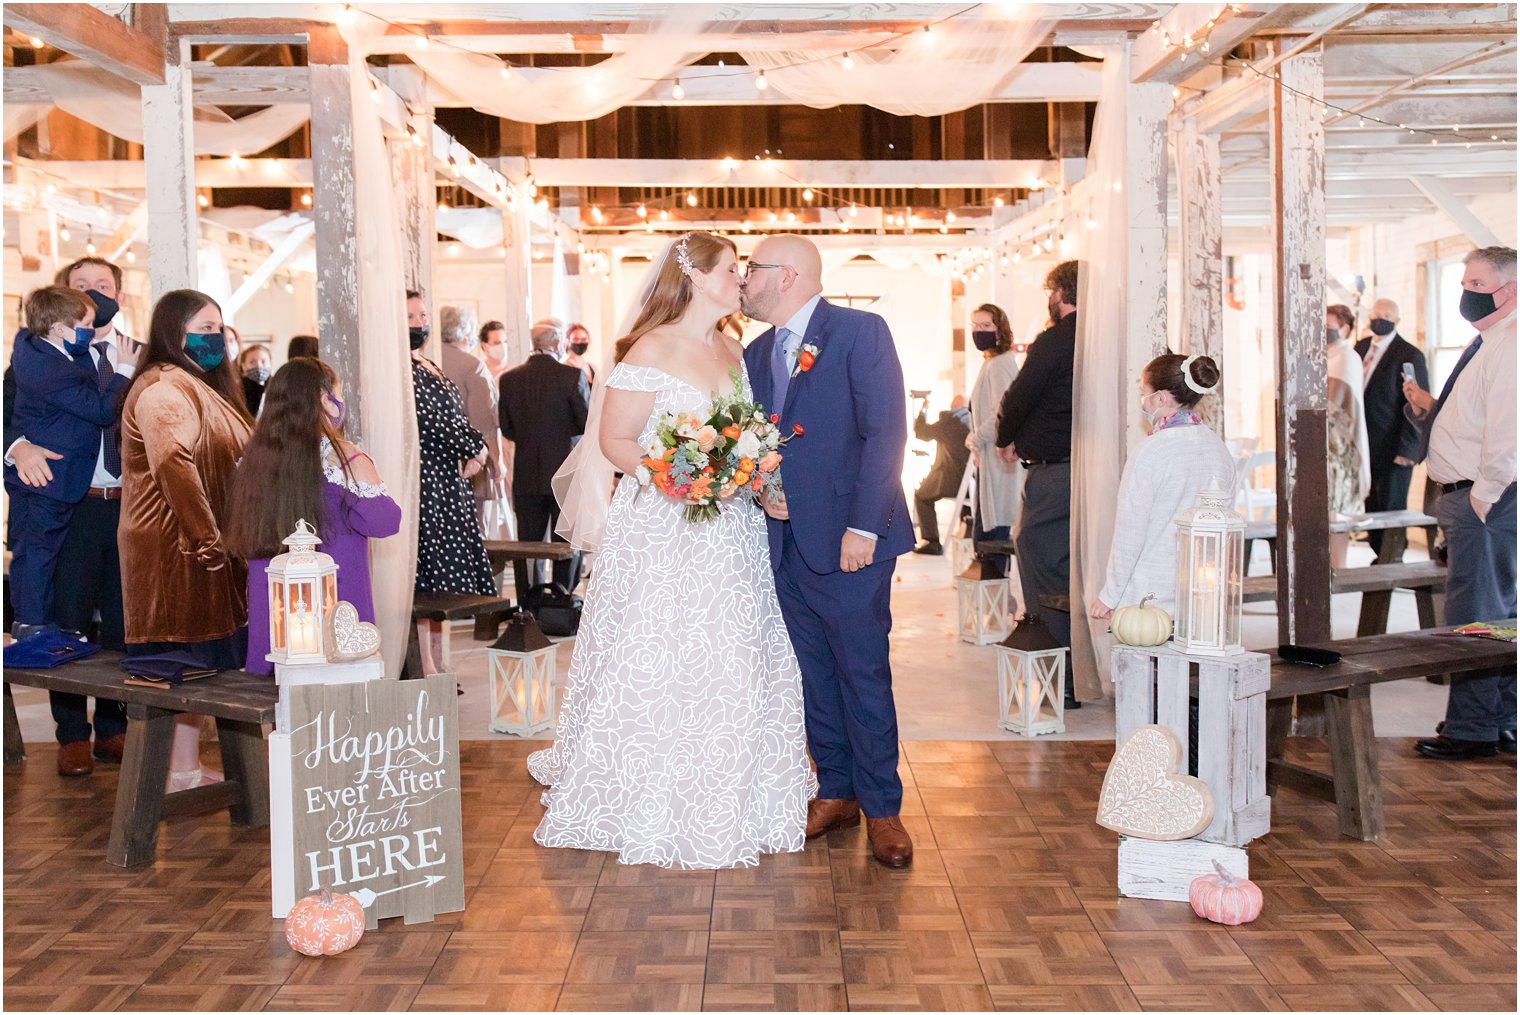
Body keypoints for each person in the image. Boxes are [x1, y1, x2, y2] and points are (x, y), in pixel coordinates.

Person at [529, 231, 809, 868]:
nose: (742, 279)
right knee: (656, 648)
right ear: (697, 277)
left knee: (733, 648)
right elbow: (616, 440)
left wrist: (752, 478)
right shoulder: (650, 349)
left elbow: (747, 433)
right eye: (733, 269)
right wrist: (682, 479)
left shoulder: (735, 351)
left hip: (730, 528)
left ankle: (736, 789)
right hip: (664, 525)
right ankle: (643, 791)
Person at [741, 233, 916, 868]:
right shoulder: (758, 351)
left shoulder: (859, 331)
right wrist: (764, 489)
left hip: (851, 543)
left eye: (751, 269)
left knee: (862, 672)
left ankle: (883, 807)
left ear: (785, 276)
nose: (742, 280)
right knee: (813, 674)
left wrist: (863, 529)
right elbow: (756, 438)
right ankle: (835, 790)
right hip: (786, 542)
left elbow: (886, 432)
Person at [5, 258, 140, 775]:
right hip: (71, 504)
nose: (93, 294)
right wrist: (17, 448)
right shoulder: (34, 359)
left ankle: (114, 727)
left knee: (125, 622)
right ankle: (72, 736)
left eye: (102, 287)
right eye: (81, 287)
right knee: (68, 616)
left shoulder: (141, 358)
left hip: (128, 506)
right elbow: (7, 419)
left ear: (119, 296)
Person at [118, 290, 254, 790]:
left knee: (207, 668)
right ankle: (178, 770)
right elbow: (173, 463)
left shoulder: (201, 386)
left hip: (210, 551)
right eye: (204, 327)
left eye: (219, 327)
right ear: (173, 332)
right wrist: (207, 540)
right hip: (177, 552)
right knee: (183, 666)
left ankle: (186, 766)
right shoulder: (162, 389)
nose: (214, 336)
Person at [1405, 246, 1517, 761]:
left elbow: (1508, 434)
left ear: (1508, 289)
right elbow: (1477, 417)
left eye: (1477, 285)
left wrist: (1483, 498)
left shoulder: (1510, 343)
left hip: (1486, 500)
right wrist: (1431, 410)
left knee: (1477, 615)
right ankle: (1501, 722)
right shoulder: (1491, 340)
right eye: (1464, 283)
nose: (1466, 295)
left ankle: (1472, 729)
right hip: (1476, 496)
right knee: (1499, 612)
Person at [224, 358, 401, 675]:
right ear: (324, 399)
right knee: (339, 713)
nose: (341, 402)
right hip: (336, 608)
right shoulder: (343, 460)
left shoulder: (253, 462)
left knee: (285, 711)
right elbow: (385, 522)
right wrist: (358, 461)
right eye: (339, 393)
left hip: (277, 618)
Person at [1089, 354, 1237, 620]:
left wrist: (1110, 594)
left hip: (1148, 597)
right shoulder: (1219, 450)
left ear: (1160, 399)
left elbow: (1130, 532)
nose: (1142, 401)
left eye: (1143, 393)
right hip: (1201, 596)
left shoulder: (1151, 451)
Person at [407, 290, 495, 675]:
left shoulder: (427, 362)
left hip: (447, 477)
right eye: (410, 316)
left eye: (422, 314)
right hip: (427, 479)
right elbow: (433, 420)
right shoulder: (401, 369)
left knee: (444, 574)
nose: (419, 322)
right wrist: (477, 448)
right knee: (427, 577)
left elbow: (455, 417)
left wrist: (476, 452)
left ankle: (443, 663)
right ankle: (426, 665)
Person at [996, 261, 1077, 655]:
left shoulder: (1056, 340)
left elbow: (1020, 396)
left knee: (1036, 552)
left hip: (1054, 471)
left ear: (1060, 293)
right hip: (1093, 470)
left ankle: (1053, 659)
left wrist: (1005, 438)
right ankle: (1077, 663)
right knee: (1071, 561)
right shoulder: (1107, 336)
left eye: (1051, 292)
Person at [498, 320, 590, 590]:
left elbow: (507, 428)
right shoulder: (571, 376)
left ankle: (530, 603)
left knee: (529, 545)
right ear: (556, 344)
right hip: (564, 471)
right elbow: (585, 422)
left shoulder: (510, 379)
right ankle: (562, 600)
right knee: (565, 541)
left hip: (526, 472)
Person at [1355, 298, 1428, 557]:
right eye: (1377, 314)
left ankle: (1392, 558)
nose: (1381, 319)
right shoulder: (1361, 346)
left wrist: (1408, 448)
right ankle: (1379, 556)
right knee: (1371, 505)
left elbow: (1416, 404)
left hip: (1393, 445)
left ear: (1397, 320)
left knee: (1392, 506)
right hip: (1365, 444)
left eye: (1387, 315)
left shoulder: (1409, 355)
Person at [965, 302, 1021, 578]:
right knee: (985, 528)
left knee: (991, 532)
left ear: (1000, 329)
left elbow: (1002, 410)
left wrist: (975, 437)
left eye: (986, 326)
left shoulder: (1000, 364)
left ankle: (997, 600)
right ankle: (995, 600)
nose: (979, 331)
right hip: (987, 460)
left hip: (996, 461)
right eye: (975, 326)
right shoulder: (991, 362)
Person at [438, 305, 502, 528]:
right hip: (468, 459)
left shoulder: (426, 361)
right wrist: (496, 459)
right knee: (474, 527)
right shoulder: (473, 366)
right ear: (467, 333)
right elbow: (483, 422)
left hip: (434, 461)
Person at [1326, 304, 1371, 568]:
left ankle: (1338, 568)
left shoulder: (1347, 358)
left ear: (1345, 328)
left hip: (1341, 449)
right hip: (1325, 447)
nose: (1325, 332)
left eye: (1330, 327)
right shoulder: (1325, 356)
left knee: (1337, 513)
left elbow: (1340, 405)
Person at [911, 394, 970, 555]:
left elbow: (922, 433)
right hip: (974, 484)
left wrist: (923, 410)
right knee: (967, 501)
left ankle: (932, 541)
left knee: (921, 495)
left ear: (953, 407)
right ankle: (968, 537)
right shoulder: (977, 422)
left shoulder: (949, 421)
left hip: (952, 481)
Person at [238, 340, 273, 417]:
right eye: (252, 362)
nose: (258, 366)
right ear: (243, 366)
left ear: (270, 363)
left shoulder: (277, 387)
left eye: (263, 361)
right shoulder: (237, 391)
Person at [477, 319, 512, 384]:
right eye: (497, 343)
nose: (503, 346)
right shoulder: (478, 372)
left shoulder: (514, 370)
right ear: (485, 346)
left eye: (505, 341)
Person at [564, 321, 597, 386]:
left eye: (584, 339)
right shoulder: (565, 367)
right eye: (575, 339)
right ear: (568, 341)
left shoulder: (593, 368)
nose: (579, 342)